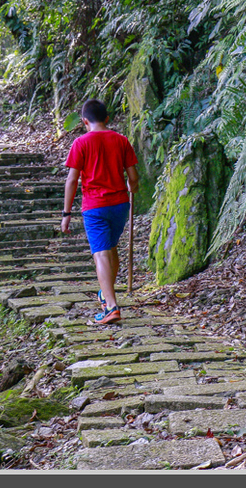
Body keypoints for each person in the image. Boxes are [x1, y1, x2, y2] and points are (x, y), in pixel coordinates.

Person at [60, 99, 140, 324]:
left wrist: (67, 214)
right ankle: (105, 295)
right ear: (107, 118)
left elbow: (72, 180)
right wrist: (131, 188)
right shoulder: (121, 140)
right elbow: (133, 178)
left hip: (95, 206)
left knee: (101, 254)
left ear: (85, 121)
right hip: (120, 205)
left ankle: (112, 307)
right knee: (111, 249)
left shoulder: (81, 143)